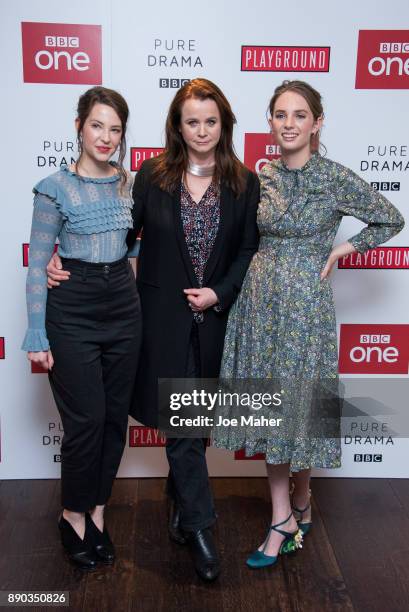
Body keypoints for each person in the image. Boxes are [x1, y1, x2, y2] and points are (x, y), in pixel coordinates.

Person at [47, 78, 260, 581]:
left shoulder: (244, 182)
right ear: (178, 126)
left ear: (224, 124)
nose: (202, 130)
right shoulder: (152, 176)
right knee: (183, 431)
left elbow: (248, 249)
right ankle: (202, 531)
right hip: (157, 322)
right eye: (192, 121)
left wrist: (219, 292)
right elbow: (118, 234)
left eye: (211, 121)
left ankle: (179, 503)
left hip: (215, 323)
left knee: (195, 426)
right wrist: (63, 256)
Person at [212, 80, 405, 569]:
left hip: (306, 310)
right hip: (260, 305)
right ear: (270, 122)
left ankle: (300, 501)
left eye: (300, 115)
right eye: (280, 114)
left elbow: (390, 218)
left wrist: (344, 248)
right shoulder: (262, 175)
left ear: (317, 123)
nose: (289, 123)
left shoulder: (335, 178)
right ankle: (285, 515)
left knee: (299, 410)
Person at [22, 86, 142, 571]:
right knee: (87, 420)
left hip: (122, 306)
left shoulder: (129, 184)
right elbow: (36, 265)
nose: (106, 137)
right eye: (97, 125)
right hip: (71, 308)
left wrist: (124, 274)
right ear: (79, 126)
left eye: (115, 129)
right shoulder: (54, 187)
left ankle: (98, 511)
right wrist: (36, 333)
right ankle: (71, 514)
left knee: (115, 420)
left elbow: (131, 244)